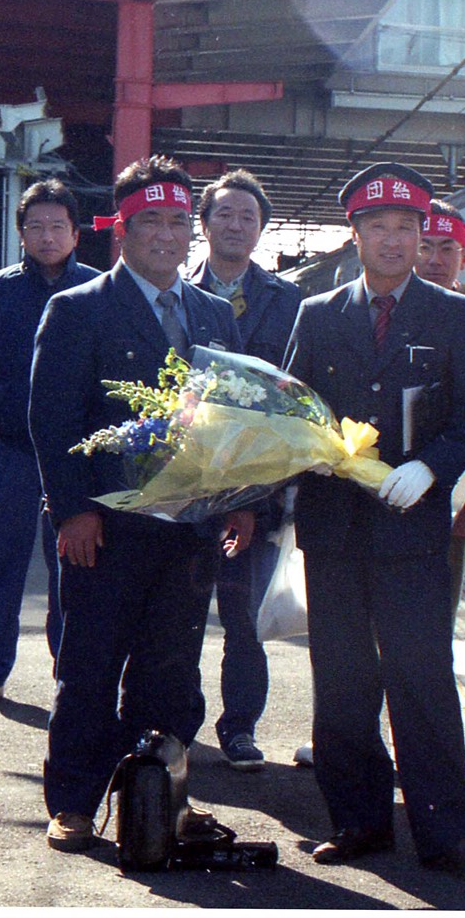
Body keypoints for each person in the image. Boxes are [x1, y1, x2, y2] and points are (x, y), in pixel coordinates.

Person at [282, 162, 465, 883]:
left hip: (412, 529)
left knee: (422, 677)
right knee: (343, 680)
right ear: (354, 236)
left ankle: (448, 833)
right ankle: (358, 820)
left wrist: (433, 468)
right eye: (377, 227)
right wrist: (307, 456)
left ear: (421, 234)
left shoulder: (454, 315)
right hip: (334, 529)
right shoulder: (319, 314)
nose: (392, 240)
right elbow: (292, 408)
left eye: (405, 228)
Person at [30, 155, 253, 853]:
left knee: (171, 672)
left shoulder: (213, 313)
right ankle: (73, 801)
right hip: (106, 528)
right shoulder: (79, 308)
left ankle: (158, 800)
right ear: (120, 229)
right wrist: (73, 510)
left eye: (178, 221)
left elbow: (236, 414)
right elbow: (53, 419)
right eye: (149, 220)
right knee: (90, 668)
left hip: (189, 532)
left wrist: (242, 500)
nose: (166, 234)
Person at [0, 179, 98, 708]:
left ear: (76, 234)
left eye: (58, 226)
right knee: (1, 562)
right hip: (10, 452)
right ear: (21, 235)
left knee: (73, 569)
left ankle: (72, 681)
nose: (47, 236)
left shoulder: (97, 292)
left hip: (76, 458)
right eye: (36, 226)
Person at [186, 168, 302, 770]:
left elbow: (297, 397)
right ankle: (175, 723)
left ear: (261, 229)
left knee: (243, 618)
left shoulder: (290, 302)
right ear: (204, 224)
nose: (236, 225)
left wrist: (258, 494)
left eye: (248, 217)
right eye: (224, 214)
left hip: (258, 489)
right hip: (183, 486)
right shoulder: (176, 292)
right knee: (176, 616)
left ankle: (240, 728)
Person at [415, 197, 465, 620]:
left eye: (447, 248)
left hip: (456, 490)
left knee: (439, 613)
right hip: (383, 484)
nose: (434, 260)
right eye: (425, 246)